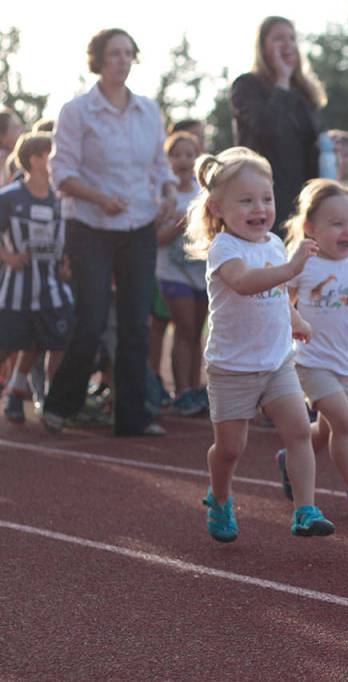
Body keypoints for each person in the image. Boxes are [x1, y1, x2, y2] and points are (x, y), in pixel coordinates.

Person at [184, 147, 334, 542]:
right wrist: (291, 267)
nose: (259, 208)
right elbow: (246, 282)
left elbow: (277, 292)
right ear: (217, 208)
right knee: (230, 448)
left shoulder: (270, 244)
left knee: (300, 431)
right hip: (232, 367)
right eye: (246, 200)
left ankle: (305, 508)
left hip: (276, 362)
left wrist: (295, 318)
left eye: (266, 199)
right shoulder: (225, 249)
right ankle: (219, 497)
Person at [43, 28, 177, 437]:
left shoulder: (149, 110)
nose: (122, 59)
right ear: (97, 59)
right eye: (114, 53)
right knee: (92, 321)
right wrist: (100, 198)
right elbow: (60, 174)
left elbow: (160, 163)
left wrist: (169, 189)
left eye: (128, 53)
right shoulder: (77, 110)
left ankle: (132, 417)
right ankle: (61, 403)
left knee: (137, 323)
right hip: (89, 225)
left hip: (138, 225)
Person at [274, 179, 348, 512]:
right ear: (311, 228)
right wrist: (293, 322)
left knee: (328, 428)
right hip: (312, 361)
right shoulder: (305, 261)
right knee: (345, 423)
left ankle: (289, 459)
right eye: (338, 223)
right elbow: (280, 295)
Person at [0, 133, 73, 424]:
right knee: (7, 345)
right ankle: (16, 391)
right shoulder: (10, 197)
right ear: (35, 159)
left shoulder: (63, 199)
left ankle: (51, 402)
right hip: (14, 288)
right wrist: (8, 257)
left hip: (52, 288)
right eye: (51, 155)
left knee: (57, 340)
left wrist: (67, 262)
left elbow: (72, 237)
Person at [231, 16, 325, 237]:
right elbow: (266, 129)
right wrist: (281, 83)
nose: (288, 44)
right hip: (262, 196)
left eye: (292, 38)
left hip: (303, 196)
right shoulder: (246, 85)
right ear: (263, 47)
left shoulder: (304, 91)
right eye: (279, 38)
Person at [156, 131, 208, 416]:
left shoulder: (204, 193)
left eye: (190, 154)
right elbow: (157, 238)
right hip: (172, 272)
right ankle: (182, 391)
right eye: (176, 155)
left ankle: (195, 387)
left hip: (201, 272)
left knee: (197, 331)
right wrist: (181, 224)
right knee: (184, 328)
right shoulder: (165, 193)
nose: (184, 160)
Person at [0, 109, 26, 186]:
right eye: (15, 128)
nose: (22, 130)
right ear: (2, 137)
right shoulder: (3, 160)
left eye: (21, 126)